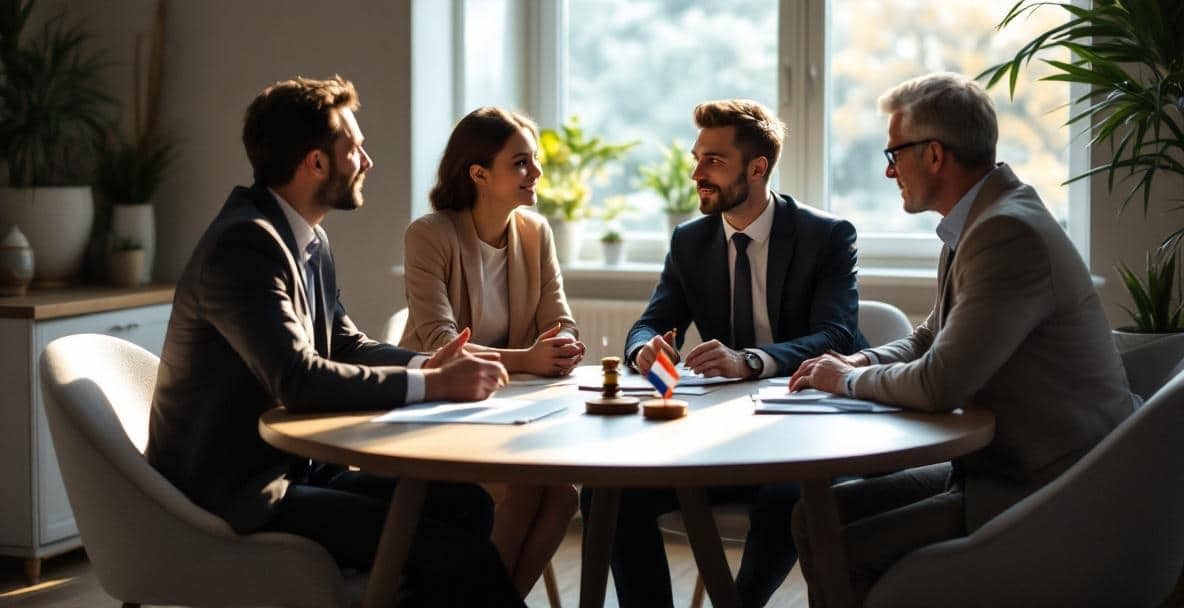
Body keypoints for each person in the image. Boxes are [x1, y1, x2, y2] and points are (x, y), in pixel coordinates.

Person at [146, 76, 524, 607]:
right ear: (316, 163)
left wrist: (427, 360)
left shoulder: (306, 236)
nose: (367, 160)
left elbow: (343, 343)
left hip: (292, 468)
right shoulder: (244, 243)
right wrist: (432, 384)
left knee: (464, 505)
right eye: (355, 147)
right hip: (237, 495)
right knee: (454, 552)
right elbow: (298, 379)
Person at [788, 72, 1136, 606]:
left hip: (1054, 486)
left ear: (933, 155)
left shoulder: (1006, 233)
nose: (887, 170)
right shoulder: (979, 219)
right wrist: (856, 359)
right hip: (1000, 465)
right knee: (815, 515)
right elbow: (931, 335)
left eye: (893, 152)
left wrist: (850, 379)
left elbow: (940, 385)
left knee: (843, 544)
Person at [580, 99, 867, 608]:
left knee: (789, 499)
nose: (696, 174)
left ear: (758, 169)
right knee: (608, 491)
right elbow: (651, 321)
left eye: (713, 160)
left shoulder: (826, 236)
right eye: (697, 158)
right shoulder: (690, 241)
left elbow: (837, 335)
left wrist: (750, 360)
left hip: (806, 435)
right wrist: (645, 349)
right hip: (719, 437)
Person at [399, 106, 583, 597]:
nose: (536, 173)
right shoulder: (429, 235)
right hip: (437, 412)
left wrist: (562, 344)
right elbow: (441, 345)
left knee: (563, 496)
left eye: (534, 161)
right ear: (479, 174)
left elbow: (558, 318)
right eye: (521, 163)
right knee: (523, 491)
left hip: (510, 412)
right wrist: (529, 358)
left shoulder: (535, 231)